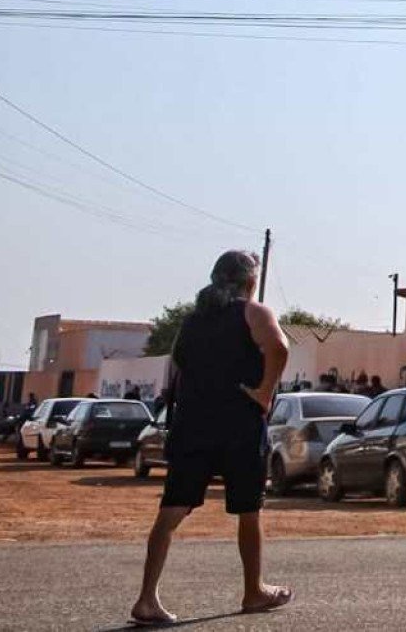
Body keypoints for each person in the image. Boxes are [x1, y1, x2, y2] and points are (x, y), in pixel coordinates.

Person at [130, 250, 291, 627]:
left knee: (170, 511)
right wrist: (265, 392)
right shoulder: (255, 312)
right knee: (248, 509)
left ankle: (146, 598)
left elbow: (179, 368)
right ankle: (254, 590)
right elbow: (279, 348)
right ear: (250, 281)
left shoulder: (193, 321)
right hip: (239, 423)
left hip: (193, 424)